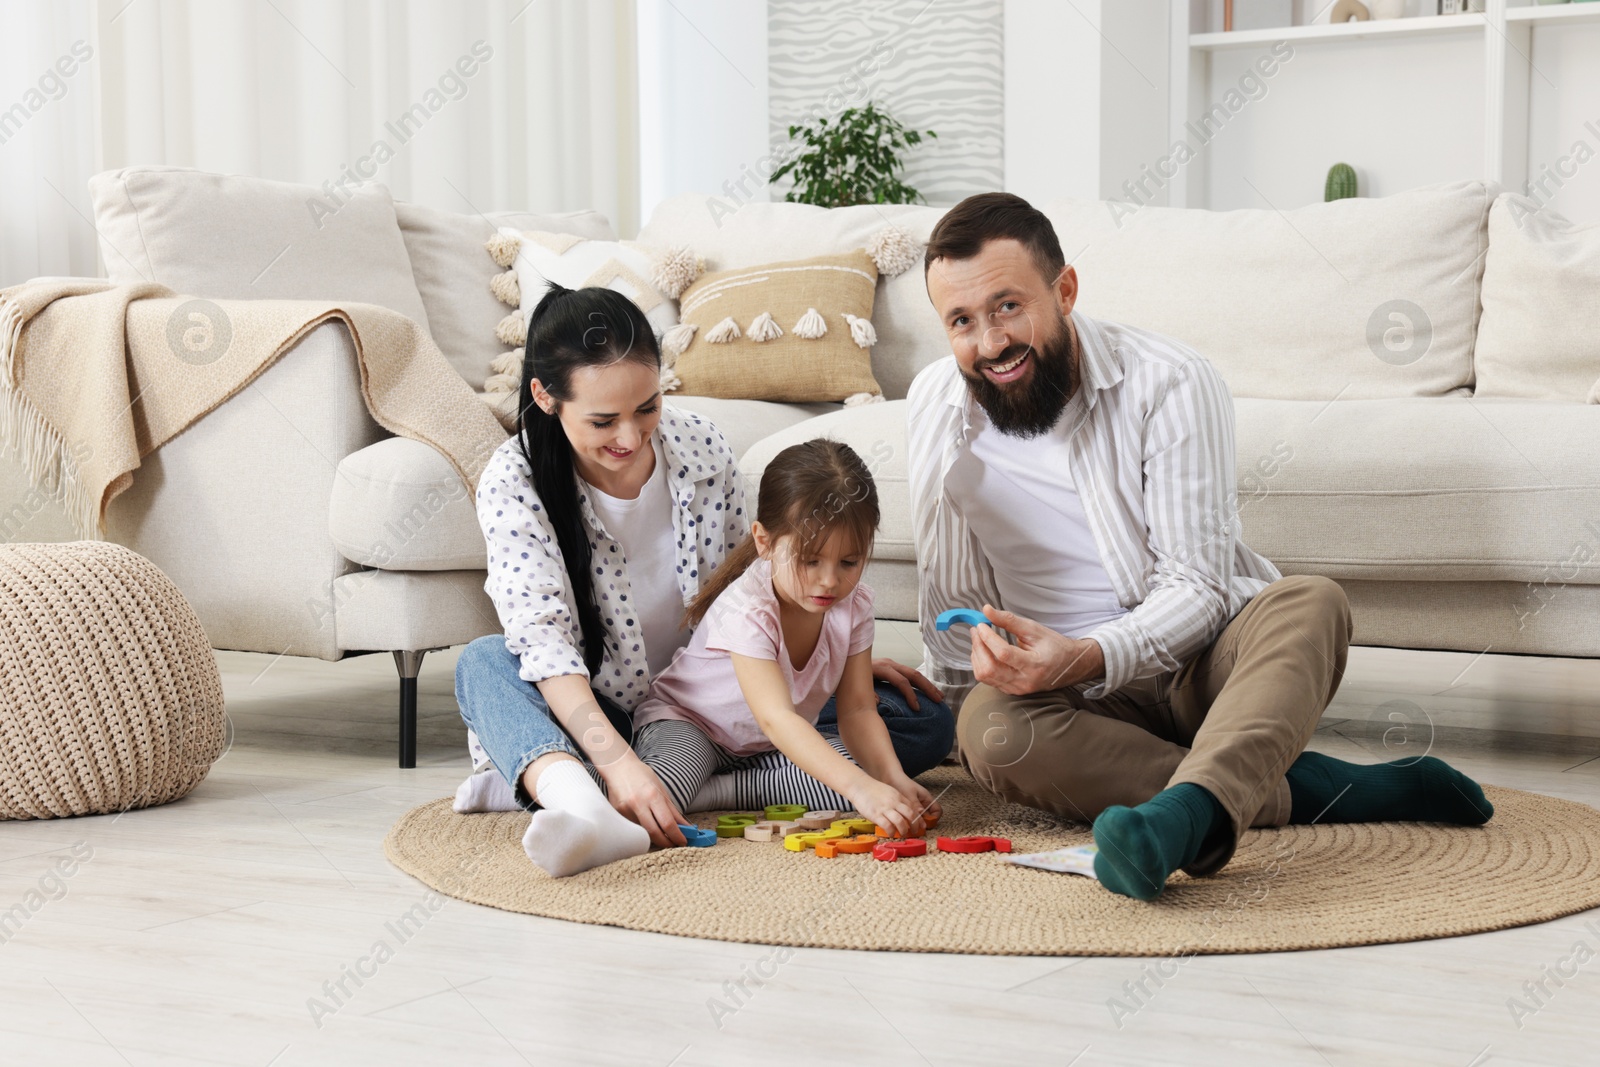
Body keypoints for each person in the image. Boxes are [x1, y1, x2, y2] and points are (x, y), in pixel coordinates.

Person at [909, 192, 1492, 901]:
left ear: (1064, 290)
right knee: (988, 730)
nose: (991, 342)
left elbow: (1199, 586)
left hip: (1199, 666)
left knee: (1312, 603)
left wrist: (1091, 652)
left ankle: (1186, 813)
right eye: (962, 321)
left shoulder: (1171, 380)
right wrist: (936, 701)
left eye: (1007, 306)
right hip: (1066, 696)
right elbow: (956, 603)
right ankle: (1298, 789)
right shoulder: (935, 404)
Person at [454, 283, 953, 877]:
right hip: (612, 714)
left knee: (925, 719)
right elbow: (546, 650)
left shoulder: (698, 444)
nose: (631, 437)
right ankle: (589, 802)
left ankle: (591, 784)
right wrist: (620, 762)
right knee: (484, 664)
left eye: (646, 408)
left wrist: (824, 655)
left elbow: (755, 581)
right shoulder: (515, 482)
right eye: (603, 420)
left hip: (739, 687)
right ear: (544, 397)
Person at [631, 439, 946, 836]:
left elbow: (858, 711)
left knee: (861, 782)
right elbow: (776, 717)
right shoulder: (748, 608)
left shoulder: (855, 605)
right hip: (693, 726)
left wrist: (890, 778)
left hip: (769, 746)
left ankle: (717, 791)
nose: (830, 580)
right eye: (809, 560)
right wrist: (863, 789)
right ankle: (621, 780)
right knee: (658, 793)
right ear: (764, 542)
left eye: (849, 562)